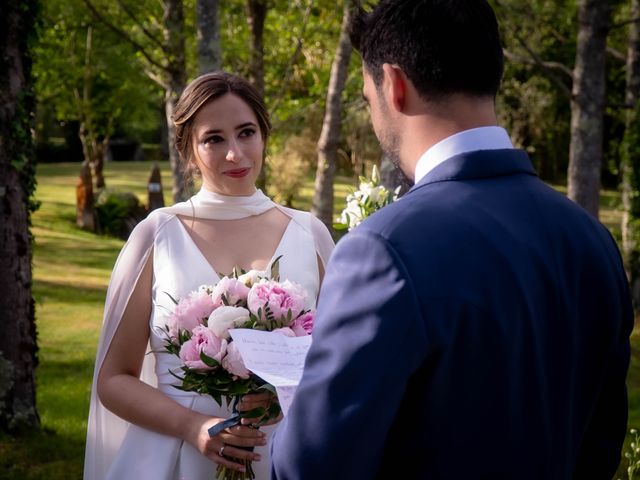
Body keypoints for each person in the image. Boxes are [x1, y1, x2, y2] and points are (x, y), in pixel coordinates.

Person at [270, 1, 633, 478]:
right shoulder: (591, 238)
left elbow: (310, 466)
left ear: (394, 86)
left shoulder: (382, 250)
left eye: (366, 96)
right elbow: (602, 441)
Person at [83, 72, 334, 479]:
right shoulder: (157, 234)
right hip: (176, 457)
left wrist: (286, 400)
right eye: (214, 139)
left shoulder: (311, 234)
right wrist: (193, 427)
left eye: (246, 132)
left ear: (264, 136)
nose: (234, 153)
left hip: (285, 455)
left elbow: (343, 362)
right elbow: (113, 379)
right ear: (189, 150)